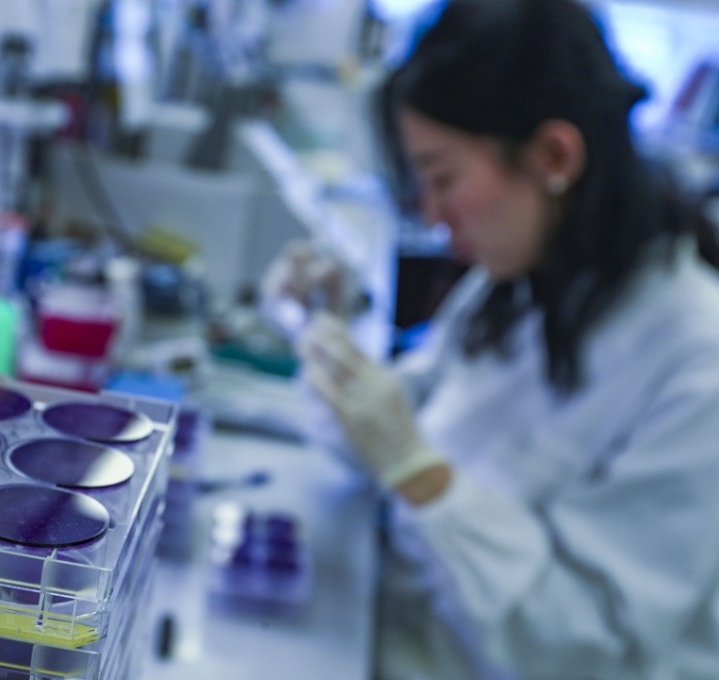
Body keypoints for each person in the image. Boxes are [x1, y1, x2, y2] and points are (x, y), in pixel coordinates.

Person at [263, 0, 719, 678]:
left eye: (443, 177)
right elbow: (393, 427)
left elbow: (589, 648)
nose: (430, 214)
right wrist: (329, 344)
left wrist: (426, 482)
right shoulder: (521, 283)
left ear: (554, 155)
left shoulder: (694, 363)